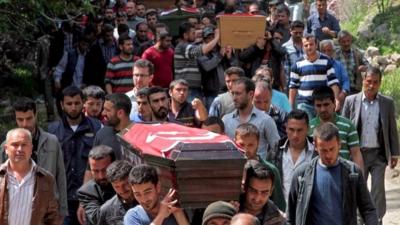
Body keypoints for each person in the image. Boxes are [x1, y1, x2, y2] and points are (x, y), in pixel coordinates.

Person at [287, 122, 378, 225]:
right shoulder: (301, 175)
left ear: (339, 144)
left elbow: (368, 209)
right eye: (323, 150)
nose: (328, 155)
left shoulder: (353, 173)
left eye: (332, 149)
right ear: (315, 146)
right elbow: (291, 215)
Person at [342, 66, 399, 224]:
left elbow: (391, 129)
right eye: (368, 81)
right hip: (357, 154)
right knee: (358, 188)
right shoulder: (350, 101)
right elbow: (343, 127)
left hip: (378, 154)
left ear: (380, 83)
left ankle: (377, 219)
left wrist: (395, 153)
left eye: (375, 82)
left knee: (378, 190)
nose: (371, 85)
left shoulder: (387, 103)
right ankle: (359, 220)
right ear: (363, 81)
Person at [0, 97, 68, 216]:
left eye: (29, 118)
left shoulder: (52, 141)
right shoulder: (6, 146)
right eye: (20, 120)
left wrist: (63, 211)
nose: (25, 124)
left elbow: (60, 176)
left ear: (36, 115)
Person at [48, 86, 102, 225]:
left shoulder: (96, 127)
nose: (73, 108)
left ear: (83, 103)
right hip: (63, 198)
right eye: (69, 103)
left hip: (91, 197)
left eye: (77, 103)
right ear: (62, 105)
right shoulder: (53, 130)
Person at [1, 128, 62, 225]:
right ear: (6, 149)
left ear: (31, 148)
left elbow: (52, 217)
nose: (20, 149)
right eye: (15, 145)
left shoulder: (45, 179)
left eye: (24, 145)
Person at [222, 77, 280, 160]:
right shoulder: (226, 120)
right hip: (233, 170)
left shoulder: (265, 120)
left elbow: (277, 149)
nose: (234, 98)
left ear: (250, 94)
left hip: (258, 170)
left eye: (238, 94)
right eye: (233, 93)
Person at [310, 86, 364, 171]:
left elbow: (356, 153)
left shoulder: (347, 125)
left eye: (326, 104)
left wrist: (361, 181)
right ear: (314, 106)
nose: (323, 109)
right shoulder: (309, 127)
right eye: (318, 106)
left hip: (344, 175)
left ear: (334, 103)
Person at [267, 109, 315, 202]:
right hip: (281, 211)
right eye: (291, 129)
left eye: (299, 130)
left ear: (308, 129)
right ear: (286, 128)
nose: (295, 135)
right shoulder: (275, 151)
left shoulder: (316, 152)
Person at [288, 34, 340, 119]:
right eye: (306, 45)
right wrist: (290, 106)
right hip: (304, 103)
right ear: (302, 46)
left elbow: (333, 82)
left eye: (311, 44)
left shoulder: (326, 61)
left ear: (316, 45)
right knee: (307, 129)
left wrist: (336, 99)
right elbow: (293, 87)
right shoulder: (297, 64)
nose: (309, 47)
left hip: (322, 103)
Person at [235, 125, 286, 211]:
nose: (245, 149)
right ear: (234, 142)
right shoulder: (230, 170)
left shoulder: (271, 170)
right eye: (241, 145)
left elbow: (279, 204)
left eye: (250, 145)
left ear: (258, 144)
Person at [124, 164, 190, 225]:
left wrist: (177, 212)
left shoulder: (174, 210)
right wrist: (161, 215)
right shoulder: (133, 216)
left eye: (147, 192)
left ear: (158, 187)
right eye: (137, 194)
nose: (143, 199)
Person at [174, 22, 220, 101]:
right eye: (193, 33)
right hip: (188, 89)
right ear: (185, 35)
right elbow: (200, 51)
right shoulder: (182, 46)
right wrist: (216, 38)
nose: (195, 35)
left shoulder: (189, 45)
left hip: (194, 88)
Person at [197, 25, 239, 109]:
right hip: (211, 94)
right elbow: (207, 66)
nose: (212, 40)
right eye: (209, 38)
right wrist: (219, 55)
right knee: (213, 119)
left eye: (213, 37)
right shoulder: (202, 53)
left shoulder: (224, 49)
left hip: (228, 92)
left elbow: (237, 69)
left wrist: (230, 57)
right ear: (204, 40)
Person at [78, 145, 116, 225]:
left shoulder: (127, 184)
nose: (101, 176)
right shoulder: (86, 192)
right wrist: (121, 193)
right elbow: (98, 219)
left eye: (105, 170)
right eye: (95, 171)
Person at [239, 160, 286, 225]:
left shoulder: (279, 220)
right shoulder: (229, 213)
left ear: (271, 191)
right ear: (245, 188)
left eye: (264, 192)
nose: (257, 198)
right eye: (253, 191)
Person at [94, 93, 133, 161]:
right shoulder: (101, 134)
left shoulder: (140, 136)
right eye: (104, 109)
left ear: (120, 113)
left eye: (107, 110)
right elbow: (90, 168)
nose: (103, 113)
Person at [98, 160, 137, 225]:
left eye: (125, 184)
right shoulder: (106, 210)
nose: (122, 190)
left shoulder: (146, 202)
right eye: (117, 186)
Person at [83, 24, 118, 89]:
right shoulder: (95, 46)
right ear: (103, 35)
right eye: (107, 36)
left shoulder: (116, 45)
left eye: (111, 35)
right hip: (98, 80)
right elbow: (89, 66)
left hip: (113, 78)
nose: (110, 38)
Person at [335, 30, 369, 94]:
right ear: (339, 42)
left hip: (354, 89)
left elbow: (369, 66)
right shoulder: (335, 54)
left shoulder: (357, 53)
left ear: (351, 41)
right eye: (343, 42)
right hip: (339, 89)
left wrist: (364, 67)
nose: (346, 44)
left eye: (348, 41)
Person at [319, 39, 350, 107]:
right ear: (320, 52)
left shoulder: (338, 65)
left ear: (333, 51)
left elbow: (346, 80)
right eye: (324, 51)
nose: (326, 53)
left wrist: (343, 92)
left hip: (337, 98)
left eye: (329, 50)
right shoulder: (317, 65)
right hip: (320, 100)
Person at [282, 21, 304, 88]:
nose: (298, 35)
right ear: (290, 31)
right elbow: (284, 69)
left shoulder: (307, 45)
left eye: (300, 33)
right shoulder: (285, 47)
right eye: (296, 33)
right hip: (292, 83)